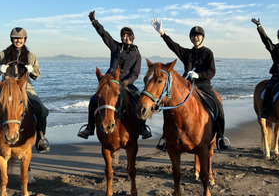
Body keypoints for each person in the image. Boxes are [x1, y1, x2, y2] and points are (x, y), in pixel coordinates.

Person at [150, 18, 230, 151]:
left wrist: (199, 75)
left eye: (198, 36)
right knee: (168, 105)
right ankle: (165, 137)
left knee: (218, 105)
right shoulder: (187, 53)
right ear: (191, 38)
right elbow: (173, 46)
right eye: (193, 36)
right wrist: (162, 33)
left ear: (202, 38)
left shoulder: (208, 53)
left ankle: (221, 137)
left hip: (203, 85)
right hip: (186, 85)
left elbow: (211, 71)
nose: (196, 38)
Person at [0, 27, 50, 154]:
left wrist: (32, 70)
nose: (18, 40)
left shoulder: (31, 57)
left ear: (25, 39)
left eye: (20, 38)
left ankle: (40, 140)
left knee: (42, 110)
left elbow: (37, 76)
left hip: (25, 89)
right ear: (12, 39)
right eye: (15, 38)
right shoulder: (3, 54)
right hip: (6, 89)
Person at [77, 10, 152, 140]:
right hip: (110, 82)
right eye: (124, 35)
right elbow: (104, 35)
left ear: (132, 37)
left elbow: (136, 73)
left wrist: (127, 82)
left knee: (140, 99)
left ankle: (142, 127)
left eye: (129, 35)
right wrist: (94, 22)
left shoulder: (137, 54)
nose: (126, 37)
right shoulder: (115, 48)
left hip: (127, 83)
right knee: (94, 99)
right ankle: (90, 127)